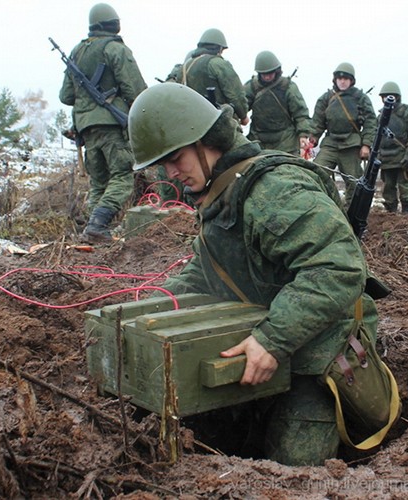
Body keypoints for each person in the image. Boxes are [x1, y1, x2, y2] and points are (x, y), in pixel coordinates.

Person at [127, 83, 380, 466]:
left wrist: (272, 340)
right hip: (261, 336)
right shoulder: (222, 190)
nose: (172, 173)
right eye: (163, 165)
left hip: (319, 349)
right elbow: (206, 268)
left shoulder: (273, 190)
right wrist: (156, 307)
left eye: (176, 158)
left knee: (293, 469)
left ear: (204, 141)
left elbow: (339, 268)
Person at [58, 2, 147, 242]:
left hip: (86, 128)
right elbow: (136, 90)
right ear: (114, 25)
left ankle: (92, 231)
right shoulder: (116, 49)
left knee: (98, 182)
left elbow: (66, 96)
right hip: (111, 125)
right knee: (122, 176)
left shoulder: (77, 51)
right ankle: (98, 225)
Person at [309, 62, 377, 207]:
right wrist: (312, 139)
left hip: (351, 144)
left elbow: (371, 122)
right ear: (335, 80)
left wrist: (366, 144)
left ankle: (352, 213)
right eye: (339, 78)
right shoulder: (326, 98)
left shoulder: (360, 98)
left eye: (346, 78)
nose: (342, 81)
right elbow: (318, 121)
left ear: (351, 80)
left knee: (354, 182)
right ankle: (320, 206)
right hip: (330, 143)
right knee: (315, 173)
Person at [244, 51, 311, 155]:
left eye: (270, 73)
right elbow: (241, 106)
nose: (267, 77)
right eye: (264, 74)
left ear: (276, 71)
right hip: (257, 140)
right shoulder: (252, 87)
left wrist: (303, 134)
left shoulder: (289, 87)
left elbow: (300, 113)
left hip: (286, 141)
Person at [179, 28, 250, 127]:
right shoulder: (218, 63)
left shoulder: (185, 66)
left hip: (189, 124)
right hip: (217, 124)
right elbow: (235, 95)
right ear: (219, 48)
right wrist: (243, 115)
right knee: (249, 143)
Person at [376, 82, 408, 214]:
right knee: (388, 185)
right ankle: (391, 209)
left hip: (403, 153)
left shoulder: (407, 113)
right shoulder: (381, 116)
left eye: (390, 96)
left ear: (397, 97)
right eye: (384, 97)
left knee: (404, 183)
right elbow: (376, 136)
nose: (387, 99)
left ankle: (407, 209)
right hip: (385, 156)